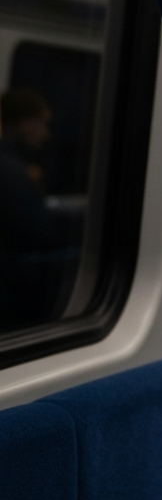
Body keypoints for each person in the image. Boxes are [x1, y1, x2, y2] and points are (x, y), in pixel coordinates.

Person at [0, 86, 82, 331]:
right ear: (23, 123)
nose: (45, 133)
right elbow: (36, 234)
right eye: (41, 123)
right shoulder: (12, 172)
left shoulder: (16, 166)